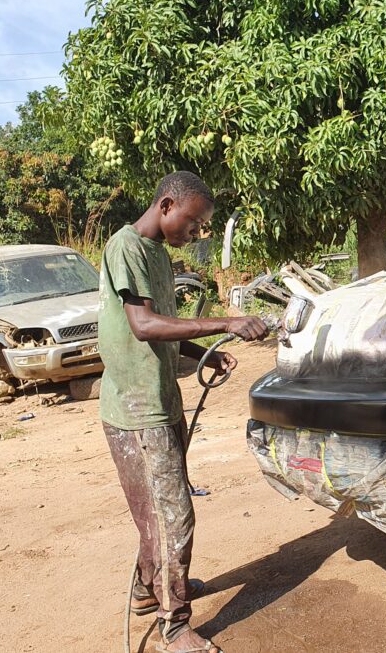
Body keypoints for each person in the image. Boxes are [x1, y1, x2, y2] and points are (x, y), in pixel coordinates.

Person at [98, 171, 267, 653]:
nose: (195, 235)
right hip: (137, 412)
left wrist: (204, 354)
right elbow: (144, 324)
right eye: (193, 224)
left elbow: (163, 331)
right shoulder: (126, 247)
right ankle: (174, 628)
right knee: (174, 517)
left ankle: (145, 590)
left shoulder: (157, 256)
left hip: (160, 403)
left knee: (156, 507)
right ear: (167, 205)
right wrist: (226, 322)